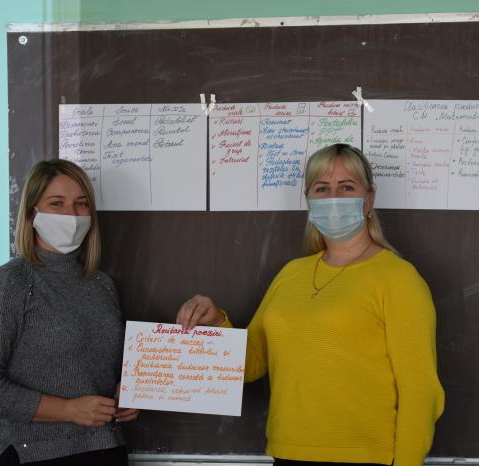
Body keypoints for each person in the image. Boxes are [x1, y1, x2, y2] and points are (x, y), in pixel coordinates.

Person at [177, 144, 445, 466]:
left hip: (364, 459)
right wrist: (216, 321)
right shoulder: (292, 274)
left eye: (347, 187)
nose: (333, 197)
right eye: (322, 188)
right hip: (288, 453)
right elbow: (252, 363)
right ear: (309, 200)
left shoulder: (398, 279)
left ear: (369, 199)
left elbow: (420, 391)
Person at [0, 159, 139, 466]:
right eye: (57, 203)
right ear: (32, 213)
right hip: (34, 454)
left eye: (81, 204)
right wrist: (68, 410)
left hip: (107, 449)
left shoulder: (102, 285)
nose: (71, 215)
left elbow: (100, 370)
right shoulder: (9, 283)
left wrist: (127, 395)